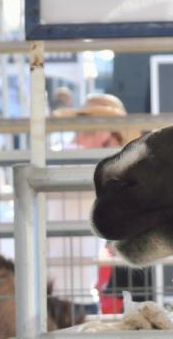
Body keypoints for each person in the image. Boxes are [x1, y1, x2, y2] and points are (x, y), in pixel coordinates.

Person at [49, 93, 146, 314]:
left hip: (58, 286)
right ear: (105, 133)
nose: (118, 149)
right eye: (117, 139)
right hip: (74, 292)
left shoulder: (59, 157)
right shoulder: (94, 166)